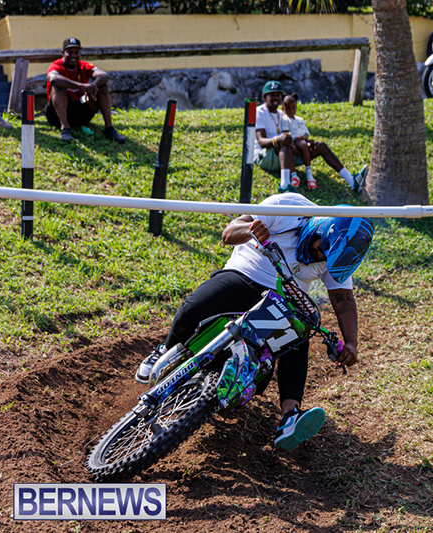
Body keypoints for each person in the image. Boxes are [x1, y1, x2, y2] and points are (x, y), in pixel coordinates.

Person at [135, 192, 375, 451]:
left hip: (283, 299)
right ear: (321, 229)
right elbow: (229, 233)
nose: (322, 260)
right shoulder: (288, 207)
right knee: (200, 302)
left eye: (328, 259)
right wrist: (250, 231)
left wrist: (351, 342)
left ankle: (290, 416)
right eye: (321, 251)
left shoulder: (333, 258)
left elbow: (344, 300)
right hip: (244, 276)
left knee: (300, 334)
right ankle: (165, 349)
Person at [254, 81, 367, 194]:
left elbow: (294, 135)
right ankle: (284, 185)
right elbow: (261, 142)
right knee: (285, 143)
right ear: (264, 97)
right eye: (272, 95)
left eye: (278, 95)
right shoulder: (259, 112)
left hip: (285, 155)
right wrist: (278, 139)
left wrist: (304, 141)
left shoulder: (283, 113)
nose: (275, 98)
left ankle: (352, 181)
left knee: (320, 146)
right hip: (266, 157)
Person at [45, 37, 126, 143]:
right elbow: (54, 79)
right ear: (63, 53)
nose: (73, 55)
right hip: (56, 114)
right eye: (70, 52)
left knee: (103, 87)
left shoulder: (83, 66)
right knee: (59, 87)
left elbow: (104, 75)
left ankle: (109, 129)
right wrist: (81, 86)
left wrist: (92, 86)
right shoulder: (56, 66)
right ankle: (65, 129)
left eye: (76, 52)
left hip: (80, 112)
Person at [282, 94, 316, 190]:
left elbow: (306, 132)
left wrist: (304, 137)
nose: (291, 111)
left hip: (301, 141)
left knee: (304, 144)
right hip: (292, 141)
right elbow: (285, 132)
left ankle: (309, 174)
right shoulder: (284, 120)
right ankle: (294, 175)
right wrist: (293, 139)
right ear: (283, 108)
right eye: (288, 109)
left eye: (293, 108)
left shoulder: (300, 119)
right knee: (290, 150)